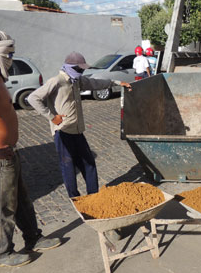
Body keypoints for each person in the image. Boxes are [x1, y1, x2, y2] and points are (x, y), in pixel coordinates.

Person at [0, 30, 61, 267]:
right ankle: (3, 253)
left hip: (7, 151)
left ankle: (33, 237)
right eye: (10, 53)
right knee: (3, 205)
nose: (12, 58)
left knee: (20, 198)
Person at [28, 52, 132, 198]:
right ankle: (75, 198)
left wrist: (117, 83)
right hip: (63, 132)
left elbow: (95, 83)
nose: (81, 72)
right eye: (79, 69)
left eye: (82, 70)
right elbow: (33, 98)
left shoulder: (76, 81)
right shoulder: (57, 81)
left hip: (78, 131)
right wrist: (51, 117)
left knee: (89, 164)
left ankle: (93, 196)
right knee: (68, 167)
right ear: (69, 67)